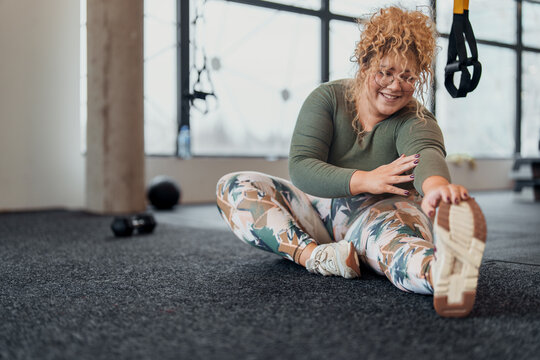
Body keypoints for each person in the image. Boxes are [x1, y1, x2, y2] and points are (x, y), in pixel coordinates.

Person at [216, 6, 487, 318]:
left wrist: (437, 189)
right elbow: (302, 166)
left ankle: (441, 274)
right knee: (235, 185)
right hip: (317, 212)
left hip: (376, 215)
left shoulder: (415, 119)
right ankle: (316, 257)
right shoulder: (328, 99)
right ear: (364, 63)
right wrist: (366, 178)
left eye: (408, 76)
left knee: (398, 239)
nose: (396, 85)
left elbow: (426, 152)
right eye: (385, 72)